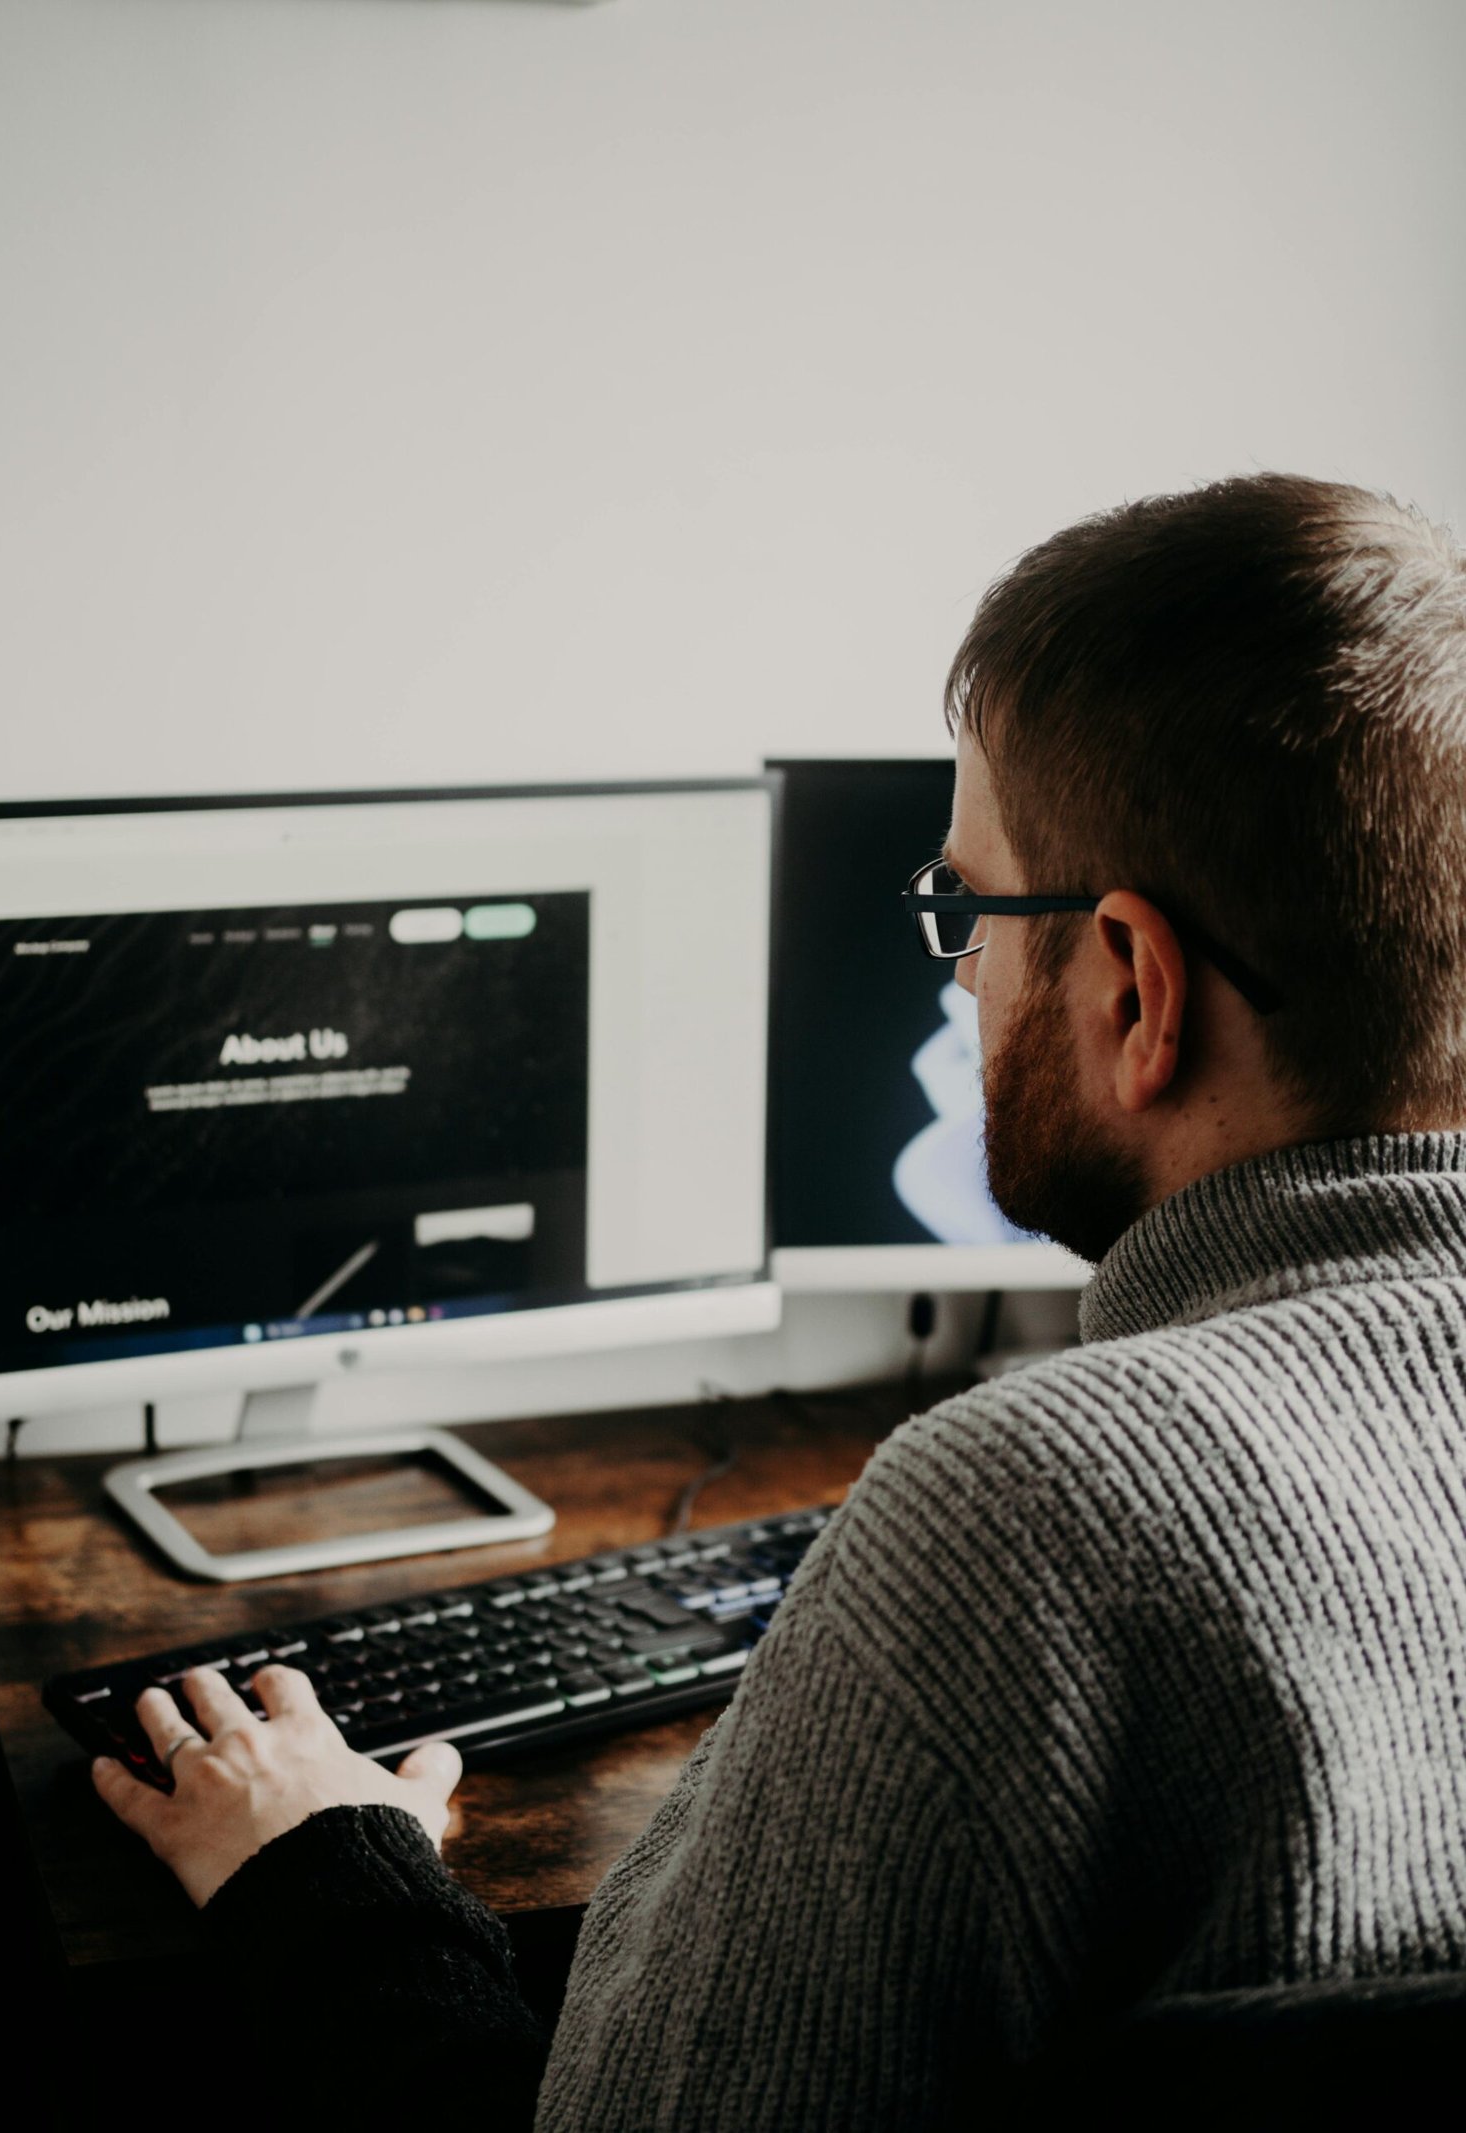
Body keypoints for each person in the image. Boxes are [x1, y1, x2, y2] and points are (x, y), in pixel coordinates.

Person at [95, 472, 1466, 2127]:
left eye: (972, 909)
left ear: (1133, 985)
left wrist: (328, 1868)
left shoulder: (1025, 1512)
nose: (959, 971)